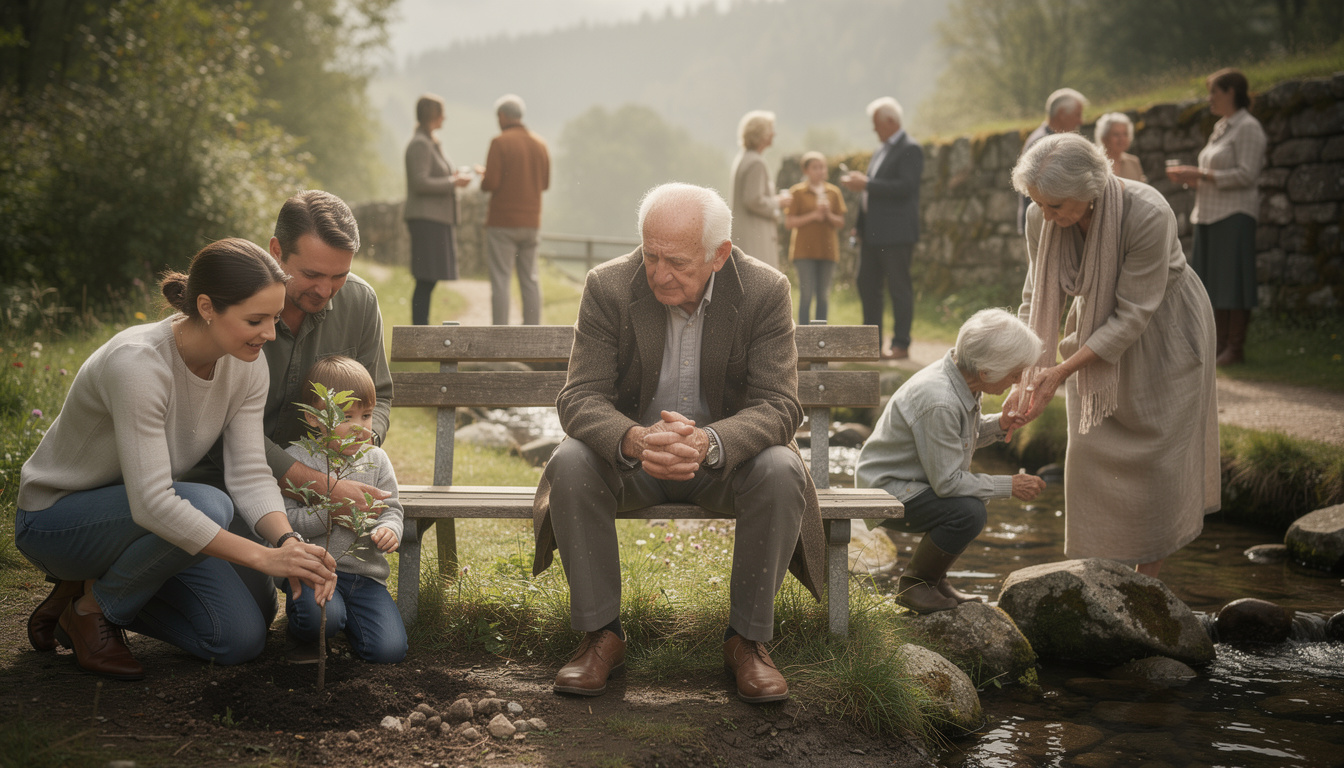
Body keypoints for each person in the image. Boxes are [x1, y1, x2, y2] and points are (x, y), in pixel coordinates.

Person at [533, 182, 824, 704]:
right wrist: (635, 439)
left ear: (720, 254)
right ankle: (601, 637)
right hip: (633, 461)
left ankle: (748, 643)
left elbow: (780, 405)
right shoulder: (608, 285)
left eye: (678, 262)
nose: (660, 273)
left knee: (782, 468)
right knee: (571, 459)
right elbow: (578, 398)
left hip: (723, 463)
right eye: (651, 256)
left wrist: (711, 441)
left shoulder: (764, 290)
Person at [16, 239, 338, 679]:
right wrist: (263, 559)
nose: (269, 333)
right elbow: (152, 503)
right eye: (255, 319)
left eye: (275, 318)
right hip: (59, 520)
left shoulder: (246, 363)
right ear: (207, 307)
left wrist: (285, 543)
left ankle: (97, 581)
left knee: (241, 636)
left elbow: (247, 470)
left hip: (140, 525)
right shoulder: (138, 364)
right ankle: (91, 610)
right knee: (209, 504)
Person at [1011, 133, 1219, 578]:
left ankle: (1148, 588)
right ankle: (1099, 580)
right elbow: (1035, 297)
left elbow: (1131, 316)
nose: (1046, 216)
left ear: (1091, 189)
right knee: (1087, 452)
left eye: (1056, 206)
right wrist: (1026, 373)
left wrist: (1061, 370)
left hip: (1166, 329)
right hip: (1092, 329)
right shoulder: (1039, 215)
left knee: (1159, 460)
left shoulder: (1148, 212)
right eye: (1039, 203)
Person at [183, 190, 393, 625]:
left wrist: (353, 449)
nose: (326, 290)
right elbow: (217, 422)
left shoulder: (359, 301)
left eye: (339, 275)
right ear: (276, 251)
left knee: (280, 617)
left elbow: (382, 396)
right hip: (224, 483)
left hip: (320, 486)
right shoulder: (238, 303)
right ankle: (88, 585)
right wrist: (313, 481)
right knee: (249, 622)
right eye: (312, 274)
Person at [857, 309, 1047, 613]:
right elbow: (947, 483)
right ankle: (915, 584)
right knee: (968, 511)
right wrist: (1008, 485)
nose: (1017, 380)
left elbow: (958, 439)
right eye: (1015, 373)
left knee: (970, 501)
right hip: (886, 489)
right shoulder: (940, 400)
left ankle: (934, 580)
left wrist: (999, 424)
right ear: (986, 372)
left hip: (911, 480)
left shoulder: (963, 379)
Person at [283, 356, 407, 664]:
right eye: (347, 417)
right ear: (314, 418)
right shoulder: (297, 461)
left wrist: (389, 529)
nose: (361, 428)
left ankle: (346, 627)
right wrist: (330, 513)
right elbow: (288, 522)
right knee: (323, 617)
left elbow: (391, 509)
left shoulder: (376, 460)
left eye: (366, 416)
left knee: (389, 651)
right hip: (314, 571)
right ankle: (306, 632)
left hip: (365, 579)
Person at [1165, 68, 1267, 366]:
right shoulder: (1222, 127)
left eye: (1214, 92)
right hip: (1209, 214)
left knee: (1234, 279)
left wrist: (1201, 173)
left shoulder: (1248, 127)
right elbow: (1217, 174)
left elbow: (1247, 175)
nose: (1209, 98)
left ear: (1231, 92)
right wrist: (1193, 178)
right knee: (1212, 282)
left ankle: (1235, 348)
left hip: (1235, 214)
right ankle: (1218, 345)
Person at [841, 96, 924, 359]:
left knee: (899, 288)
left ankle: (901, 344)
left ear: (890, 121)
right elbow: (871, 197)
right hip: (873, 234)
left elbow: (906, 187)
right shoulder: (881, 149)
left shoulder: (910, 148)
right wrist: (859, 226)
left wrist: (865, 184)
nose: (874, 129)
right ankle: (871, 345)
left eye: (876, 124)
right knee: (867, 285)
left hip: (897, 234)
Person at [478, 93, 550, 326]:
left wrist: (483, 176)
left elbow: (491, 184)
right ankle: (532, 333)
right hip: (531, 222)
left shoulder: (499, 143)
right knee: (530, 279)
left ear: (502, 116)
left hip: (503, 223)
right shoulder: (540, 144)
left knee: (501, 280)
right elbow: (545, 184)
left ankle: (500, 334)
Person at [405, 93, 472, 326]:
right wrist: (454, 182)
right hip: (426, 219)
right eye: (441, 112)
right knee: (426, 277)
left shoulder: (429, 142)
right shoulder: (420, 144)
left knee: (428, 278)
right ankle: (418, 329)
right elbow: (420, 182)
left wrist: (455, 176)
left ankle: (420, 327)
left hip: (434, 218)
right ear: (433, 115)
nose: (445, 117)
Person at [785, 151, 846, 324]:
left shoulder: (833, 192)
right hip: (803, 252)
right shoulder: (797, 192)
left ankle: (821, 338)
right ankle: (803, 337)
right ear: (806, 170)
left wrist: (828, 215)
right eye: (815, 167)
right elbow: (789, 222)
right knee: (806, 295)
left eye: (822, 167)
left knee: (823, 295)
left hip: (828, 252)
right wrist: (813, 216)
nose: (820, 171)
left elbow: (841, 222)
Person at [1017, 88, 1088, 234]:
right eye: (1077, 114)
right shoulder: (1042, 144)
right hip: (1043, 228)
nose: (1081, 120)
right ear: (1062, 113)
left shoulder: (1055, 141)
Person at [730, 110, 790, 269]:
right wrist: (779, 202)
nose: (774, 134)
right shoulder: (756, 163)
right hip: (755, 236)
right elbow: (753, 200)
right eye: (771, 130)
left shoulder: (743, 158)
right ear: (762, 133)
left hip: (746, 233)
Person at [1094, 112, 1146, 182]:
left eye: (1125, 134)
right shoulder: (1095, 164)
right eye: (1116, 134)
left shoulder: (1134, 162)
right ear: (1104, 138)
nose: (1122, 139)